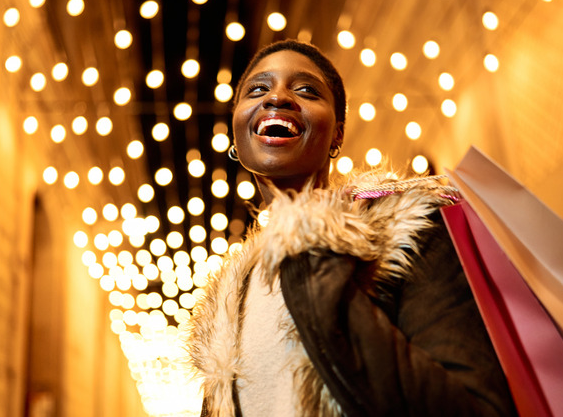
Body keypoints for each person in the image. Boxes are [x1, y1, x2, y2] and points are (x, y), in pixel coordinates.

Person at [187, 39, 516, 417]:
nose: (277, 98)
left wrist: (314, 259)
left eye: (306, 90)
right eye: (258, 89)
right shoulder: (231, 297)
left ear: (337, 134)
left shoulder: (401, 231)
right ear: (236, 129)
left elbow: (477, 408)